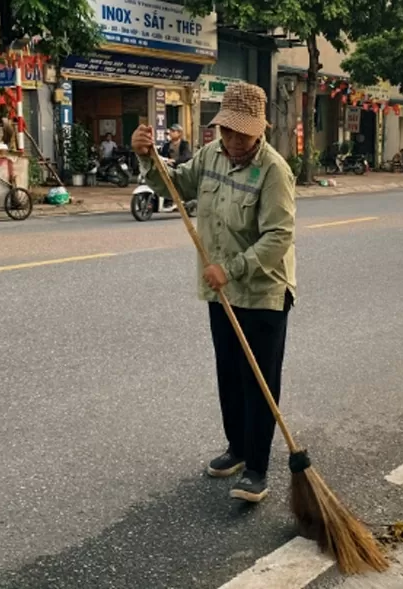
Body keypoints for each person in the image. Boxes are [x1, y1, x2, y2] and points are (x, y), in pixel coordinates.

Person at [130, 82, 296, 504]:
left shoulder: (274, 170)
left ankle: (257, 468)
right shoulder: (210, 156)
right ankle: (237, 449)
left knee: (259, 382)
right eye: (227, 131)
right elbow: (177, 186)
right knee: (230, 373)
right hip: (220, 291)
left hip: (261, 292)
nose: (233, 140)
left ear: (258, 131)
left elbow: (279, 236)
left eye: (242, 133)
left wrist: (234, 268)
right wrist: (147, 157)